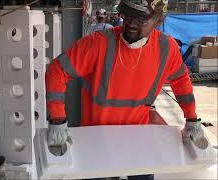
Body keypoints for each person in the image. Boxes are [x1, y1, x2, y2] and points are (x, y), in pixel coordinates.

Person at [46, 0, 205, 179]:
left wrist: (192, 119)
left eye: (140, 20)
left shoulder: (166, 49)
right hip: (95, 141)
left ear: (158, 21)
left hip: (137, 140)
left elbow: (181, 80)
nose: (130, 24)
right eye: (127, 16)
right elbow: (57, 70)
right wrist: (57, 119)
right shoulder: (98, 44)